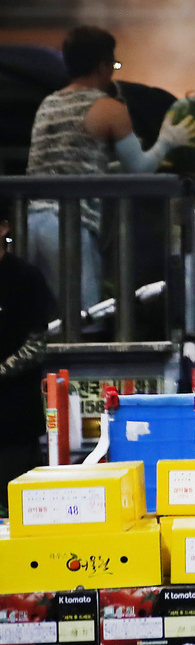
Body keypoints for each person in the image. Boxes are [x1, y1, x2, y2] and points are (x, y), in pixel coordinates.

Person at [25, 26, 195, 308]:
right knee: (81, 322)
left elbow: (66, 158)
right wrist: (167, 140)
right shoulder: (108, 108)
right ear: (104, 66)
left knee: (42, 322)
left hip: (30, 223)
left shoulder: (49, 103)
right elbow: (140, 170)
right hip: (67, 226)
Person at [0, 198, 57, 514]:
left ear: (4, 228)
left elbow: (36, 347)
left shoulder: (25, 278)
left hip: (14, 420)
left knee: (16, 513)